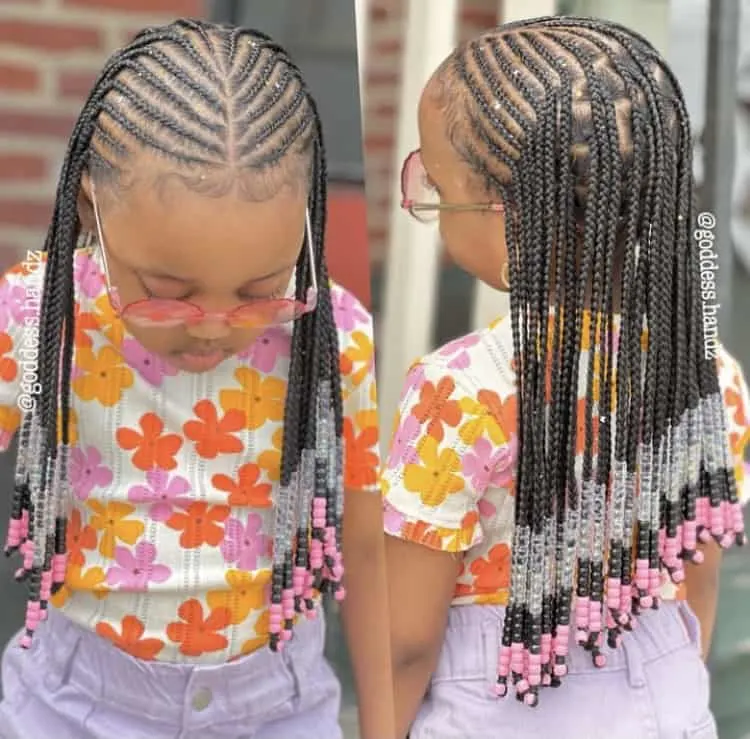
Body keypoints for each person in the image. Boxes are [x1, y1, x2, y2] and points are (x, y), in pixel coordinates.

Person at [0, 19, 393, 739]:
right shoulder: (40, 320)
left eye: (259, 289)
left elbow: (367, 548)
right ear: (92, 211)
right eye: (166, 288)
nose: (214, 325)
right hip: (71, 707)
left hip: (280, 705)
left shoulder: (331, 339)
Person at [383, 16, 750, 739]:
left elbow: (406, 638)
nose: (424, 193)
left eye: (432, 176)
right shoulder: (713, 372)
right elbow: (696, 573)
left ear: (499, 207)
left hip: (504, 700)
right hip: (667, 691)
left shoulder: (460, 388)